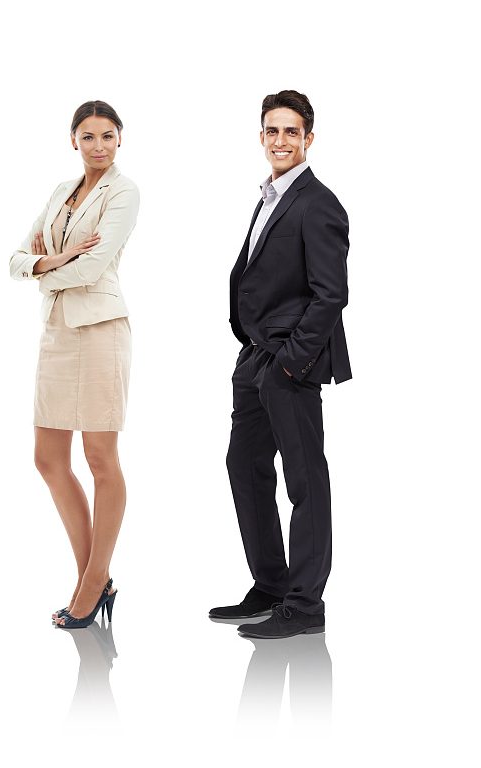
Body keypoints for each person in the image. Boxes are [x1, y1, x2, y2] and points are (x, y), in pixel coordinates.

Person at [212, 90, 351, 640]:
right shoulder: (270, 195)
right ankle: (270, 585)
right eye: (272, 131)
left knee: (304, 479)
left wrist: (291, 362)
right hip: (256, 357)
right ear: (261, 136)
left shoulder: (319, 203)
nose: (281, 140)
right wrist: (252, 347)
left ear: (308, 139)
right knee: (243, 467)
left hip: (291, 362)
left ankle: (305, 603)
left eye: (291, 132)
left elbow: (330, 294)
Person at [4, 100, 140, 629]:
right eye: (88, 137)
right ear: (74, 140)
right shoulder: (62, 193)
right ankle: (95, 578)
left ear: (120, 139)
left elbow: (95, 266)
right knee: (48, 458)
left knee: (100, 456)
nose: (98, 146)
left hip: (100, 331)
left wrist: (45, 267)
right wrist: (53, 261)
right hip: (58, 332)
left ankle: (91, 579)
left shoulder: (124, 192)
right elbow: (14, 258)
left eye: (107, 136)